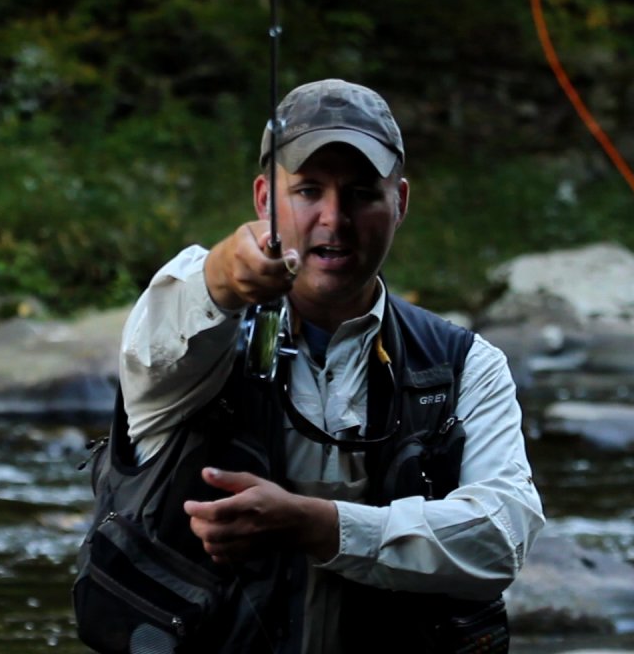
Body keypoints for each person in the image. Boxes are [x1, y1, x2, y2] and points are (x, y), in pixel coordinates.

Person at [117, 79, 545, 652]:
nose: (334, 218)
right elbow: (159, 341)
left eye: (363, 193)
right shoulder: (195, 328)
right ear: (264, 201)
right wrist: (223, 273)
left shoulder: (467, 366)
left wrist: (318, 526)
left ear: (401, 202)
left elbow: (501, 537)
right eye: (309, 190)